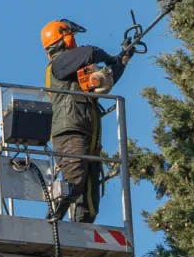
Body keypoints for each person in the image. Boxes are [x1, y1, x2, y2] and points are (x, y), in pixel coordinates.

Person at [40, 19, 129, 223]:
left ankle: (81, 230)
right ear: (63, 39)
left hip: (88, 135)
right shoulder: (59, 64)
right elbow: (90, 52)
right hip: (71, 132)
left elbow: (108, 79)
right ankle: (51, 222)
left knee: (89, 198)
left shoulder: (74, 69)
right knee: (74, 181)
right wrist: (110, 58)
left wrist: (123, 59)